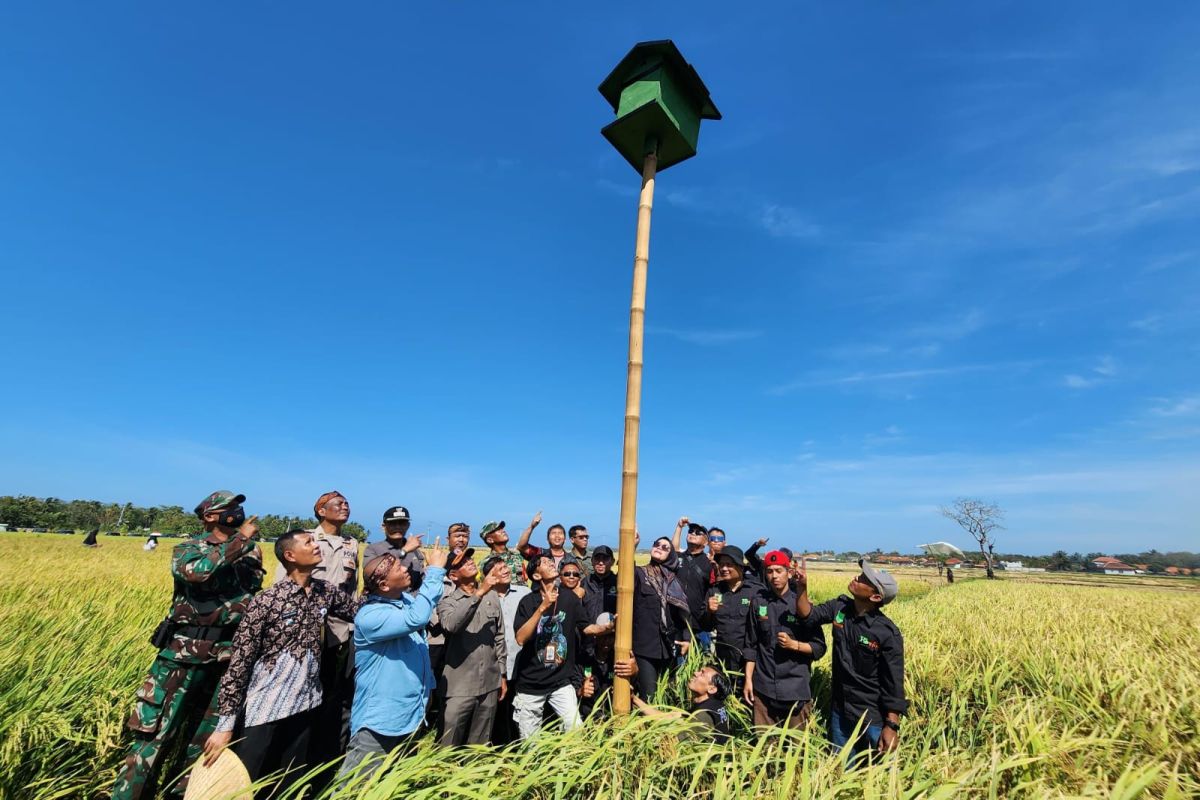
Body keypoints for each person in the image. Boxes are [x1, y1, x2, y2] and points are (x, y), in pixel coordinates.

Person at [112, 491, 264, 800]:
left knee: (204, 742)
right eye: (229, 508)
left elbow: (251, 593)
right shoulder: (189, 548)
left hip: (226, 658)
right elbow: (198, 573)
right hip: (181, 657)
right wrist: (240, 542)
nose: (237, 512)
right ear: (209, 516)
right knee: (152, 737)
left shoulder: (251, 551)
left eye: (238, 506)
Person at [203, 530, 359, 795]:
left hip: (305, 705)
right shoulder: (267, 601)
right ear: (290, 555)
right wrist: (225, 725)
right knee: (248, 784)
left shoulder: (324, 592)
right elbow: (240, 662)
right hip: (265, 709)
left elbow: (358, 610)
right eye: (308, 542)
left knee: (290, 784)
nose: (316, 545)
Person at [339, 539, 448, 779]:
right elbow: (416, 619)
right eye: (399, 569)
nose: (405, 569)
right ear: (384, 585)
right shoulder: (370, 616)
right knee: (356, 787)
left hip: (411, 714)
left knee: (394, 782)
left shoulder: (405, 601)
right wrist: (436, 571)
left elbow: (425, 603)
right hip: (380, 721)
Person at [797, 559, 907, 760]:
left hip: (872, 717)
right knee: (841, 767)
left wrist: (891, 725)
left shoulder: (887, 633)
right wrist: (802, 587)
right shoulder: (840, 607)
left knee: (876, 774)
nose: (857, 577)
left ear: (875, 596)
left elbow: (894, 681)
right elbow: (808, 615)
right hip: (841, 710)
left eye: (864, 579)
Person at [285, 491, 360, 765]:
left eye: (346, 504)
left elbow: (352, 590)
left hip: (341, 631)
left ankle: (326, 757)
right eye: (338, 505)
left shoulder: (352, 544)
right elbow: (289, 582)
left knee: (334, 695)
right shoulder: (306, 540)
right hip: (309, 631)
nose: (344, 507)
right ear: (321, 511)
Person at [511, 554, 593, 739]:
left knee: (575, 730)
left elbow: (585, 627)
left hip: (561, 681)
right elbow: (521, 638)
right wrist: (543, 607)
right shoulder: (528, 601)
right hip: (531, 683)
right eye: (545, 563)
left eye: (551, 561)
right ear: (537, 576)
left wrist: (606, 627)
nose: (550, 563)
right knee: (529, 740)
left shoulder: (569, 598)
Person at [743, 550, 827, 730]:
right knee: (765, 747)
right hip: (763, 688)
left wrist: (793, 645)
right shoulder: (759, 603)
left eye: (779, 571)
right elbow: (751, 645)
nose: (774, 576)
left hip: (794, 689)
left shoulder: (801, 605)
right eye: (770, 571)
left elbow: (819, 648)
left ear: (789, 573)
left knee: (796, 749)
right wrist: (748, 679)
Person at [436, 549, 508, 746]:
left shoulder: (492, 598)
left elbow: (499, 637)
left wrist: (502, 674)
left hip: (490, 683)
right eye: (462, 563)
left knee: (480, 745)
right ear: (453, 575)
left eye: (469, 559)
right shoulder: (446, 603)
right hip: (459, 685)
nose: (469, 562)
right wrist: (479, 593)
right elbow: (452, 625)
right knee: (448, 745)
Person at [631, 537, 693, 699]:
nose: (659, 547)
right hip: (644, 646)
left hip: (669, 646)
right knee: (649, 694)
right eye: (656, 544)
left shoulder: (675, 581)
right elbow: (624, 573)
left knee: (668, 693)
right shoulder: (640, 573)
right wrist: (632, 546)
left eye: (665, 547)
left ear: (671, 555)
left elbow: (683, 614)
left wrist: (687, 638)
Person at [484, 555, 530, 745]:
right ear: (488, 575)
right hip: (494, 666)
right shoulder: (484, 597)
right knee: (497, 712)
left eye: (506, 567)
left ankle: (518, 747)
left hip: (521, 663)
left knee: (519, 711)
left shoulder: (523, 593)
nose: (506, 570)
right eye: (499, 568)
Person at [701, 546, 759, 686]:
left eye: (729, 564)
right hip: (723, 660)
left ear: (740, 566)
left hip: (749, 661)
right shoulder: (714, 591)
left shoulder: (755, 591)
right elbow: (706, 626)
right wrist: (709, 611)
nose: (724, 568)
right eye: (721, 565)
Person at [631, 666, 732, 743]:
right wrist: (635, 699)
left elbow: (675, 743)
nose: (695, 673)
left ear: (712, 689)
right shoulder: (714, 705)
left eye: (702, 674)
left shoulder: (703, 717)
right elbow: (669, 717)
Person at [670, 517, 714, 647]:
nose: (693, 534)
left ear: (706, 542)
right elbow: (672, 550)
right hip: (675, 621)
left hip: (698, 624)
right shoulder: (679, 558)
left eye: (698, 533)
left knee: (699, 664)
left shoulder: (709, 563)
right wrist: (679, 527)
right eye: (691, 531)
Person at [362, 506, 426, 591]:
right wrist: (404, 551)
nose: (398, 527)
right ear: (383, 526)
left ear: (408, 525)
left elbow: (421, 581)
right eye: (393, 523)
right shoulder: (373, 549)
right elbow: (372, 577)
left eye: (402, 523)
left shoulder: (415, 551)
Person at [480, 516, 537, 587]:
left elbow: (524, 577)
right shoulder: (486, 563)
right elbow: (486, 586)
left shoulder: (516, 554)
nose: (503, 531)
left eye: (502, 528)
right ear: (490, 540)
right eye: (498, 530)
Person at [581, 545, 617, 622]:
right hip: (587, 631)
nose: (601, 563)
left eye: (605, 559)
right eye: (597, 559)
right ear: (592, 561)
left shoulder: (619, 584)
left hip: (611, 632)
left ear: (612, 562)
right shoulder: (585, 583)